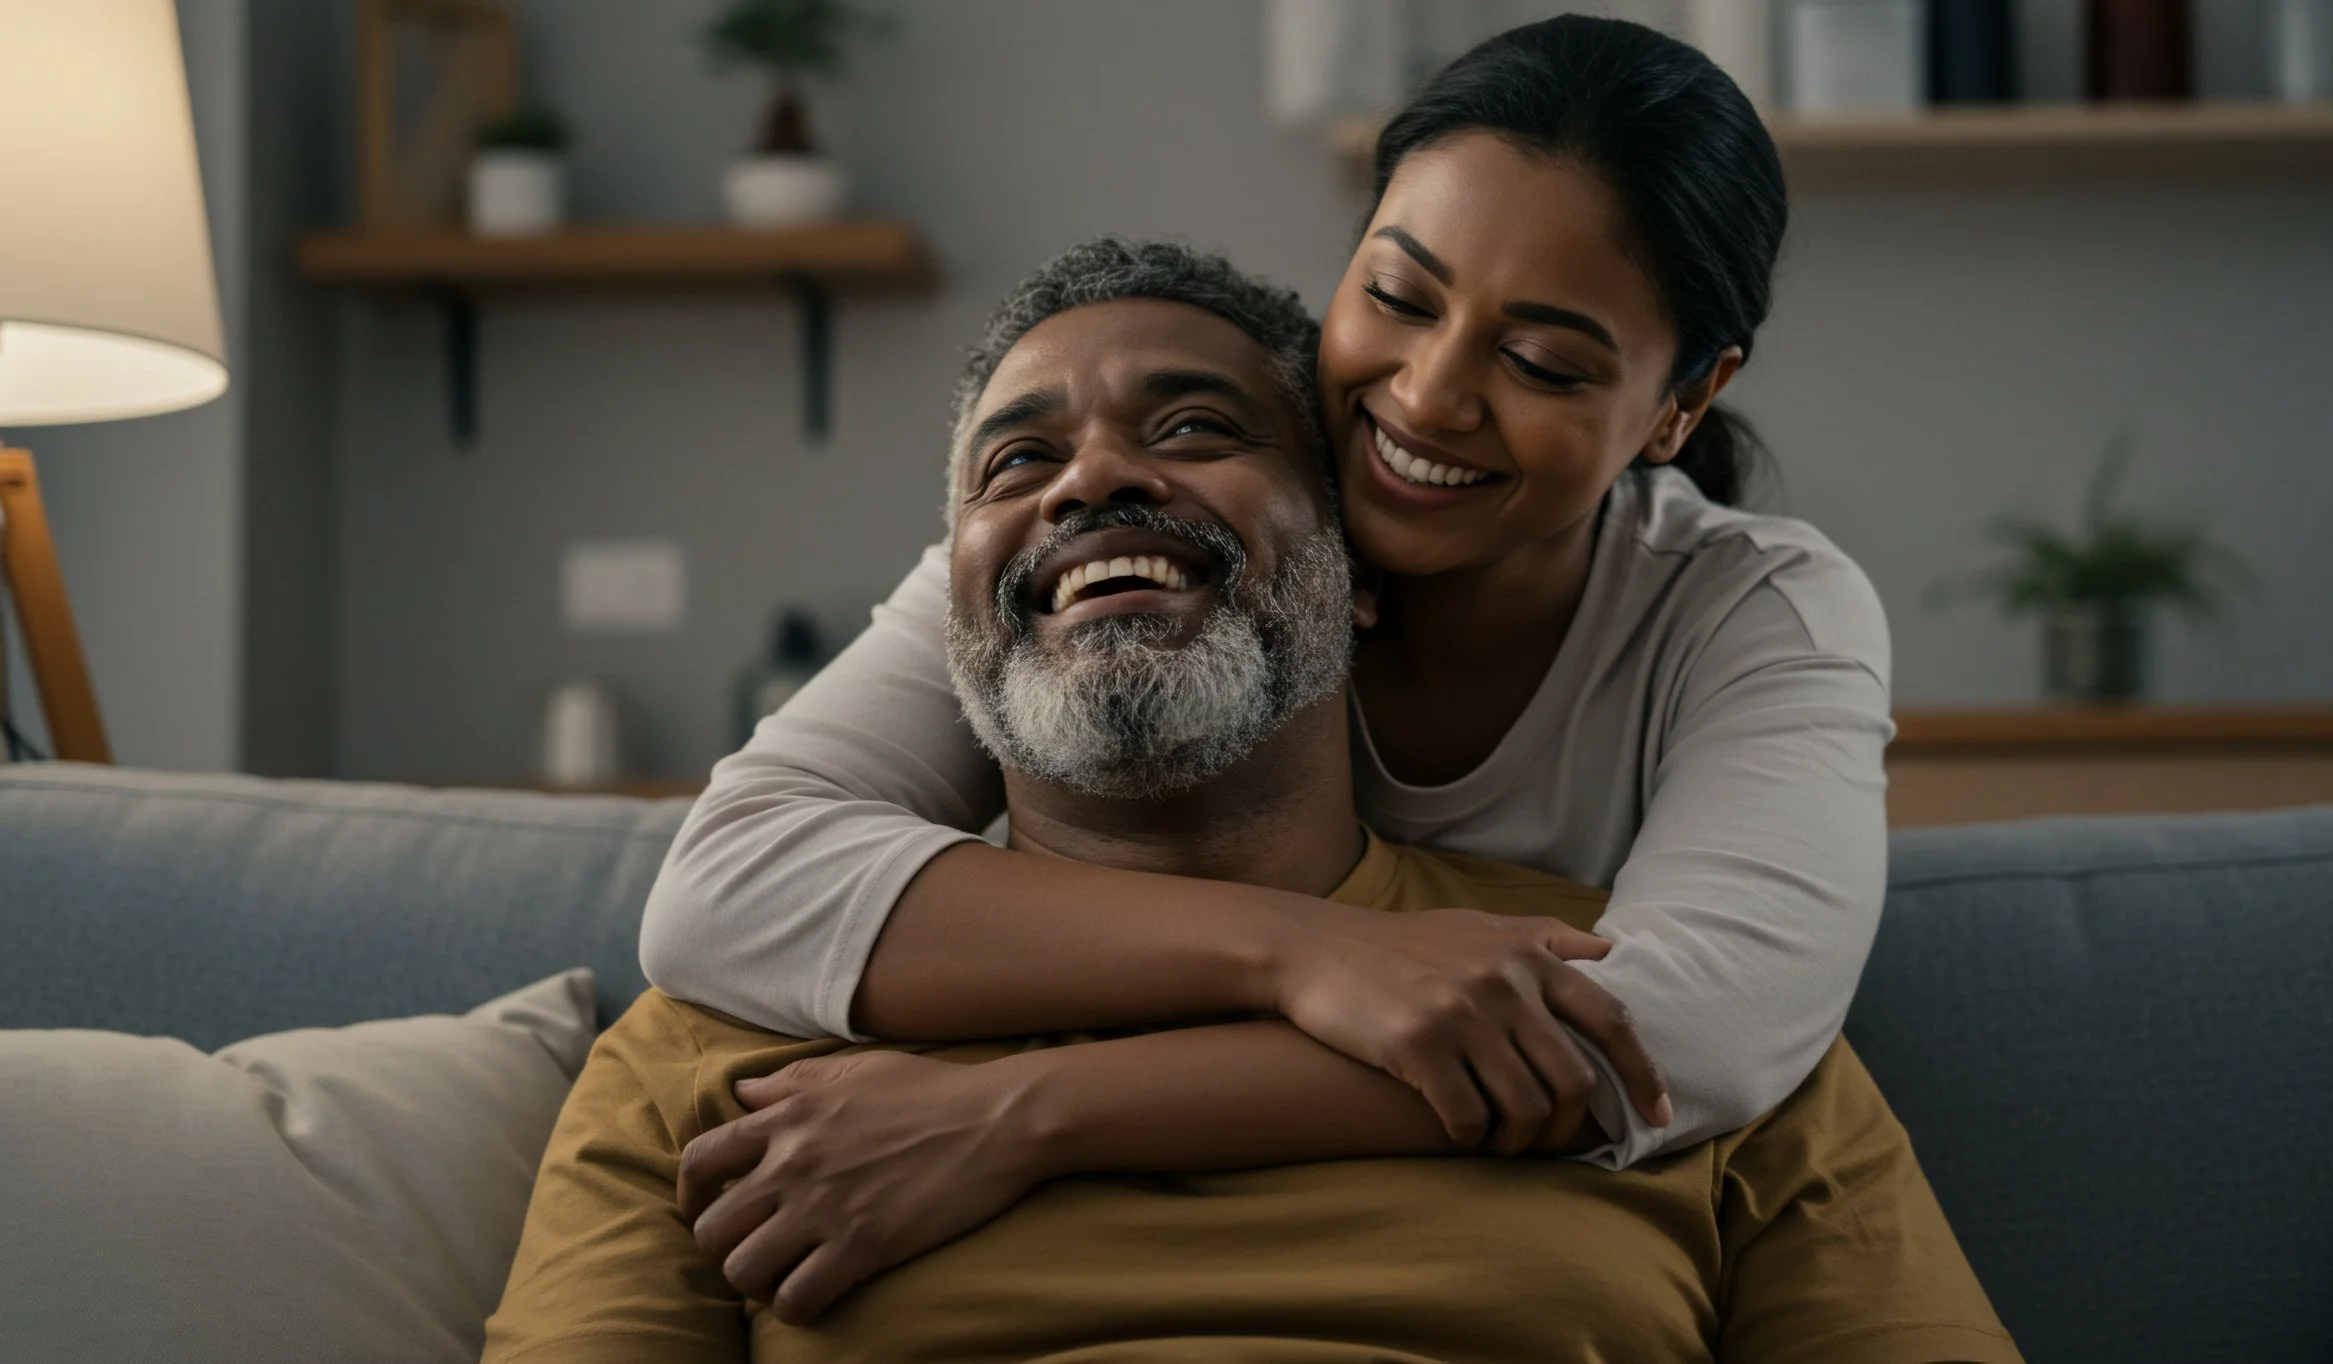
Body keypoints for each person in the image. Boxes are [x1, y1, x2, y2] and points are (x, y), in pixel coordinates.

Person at [483, 249, 2016, 1363]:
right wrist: (1301, 955)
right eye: (1017, 461)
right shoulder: (724, 1034)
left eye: (1196, 429)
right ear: (946, 622)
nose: (1088, 484)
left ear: (1359, 583)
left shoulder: (1633, 996)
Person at [643, 12, 1893, 1299]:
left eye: (1539, 362)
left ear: (1682, 401)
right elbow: (731, 880)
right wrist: (1303, 952)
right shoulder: (1206, 515)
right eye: (1397, 296)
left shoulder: (1756, 613)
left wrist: (1025, 1112)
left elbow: (1683, 1032)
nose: (1423, 399)